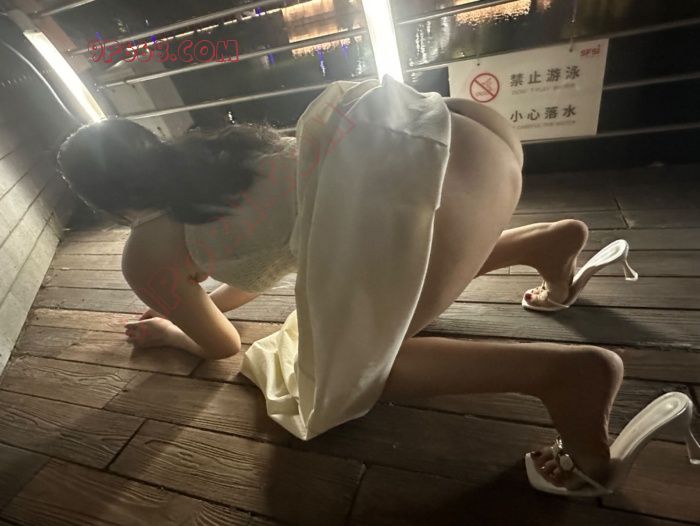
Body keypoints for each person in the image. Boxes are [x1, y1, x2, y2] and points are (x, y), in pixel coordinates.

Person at [57, 75, 689, 497]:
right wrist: (205, 300)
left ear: (102, 201)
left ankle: (565, 377)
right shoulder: (221, 156)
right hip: (457, 134)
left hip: (434, 193)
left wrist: (176, 329)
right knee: (394, 259)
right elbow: (270, 257)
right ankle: (546, 246)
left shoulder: (146, 252)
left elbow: (223, 345)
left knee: (347, 375)